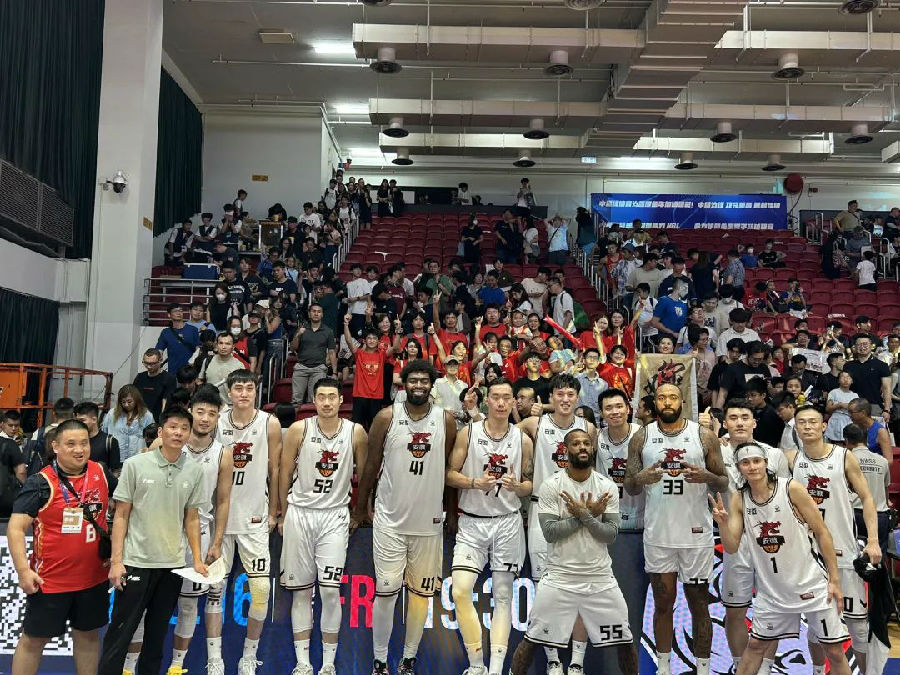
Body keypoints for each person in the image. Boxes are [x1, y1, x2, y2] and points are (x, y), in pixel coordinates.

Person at [710, 442, 852, 675]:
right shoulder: (739, 499)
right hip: (773, 592)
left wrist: (834, 579)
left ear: (766, 463)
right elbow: (731, 546)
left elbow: (822, 532)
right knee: (755, 646)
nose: (752, 466)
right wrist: (723, 524)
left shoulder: (791, 488)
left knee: (835, 651)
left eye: (756, 461)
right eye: (745, 463)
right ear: (738, 468)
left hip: (810, 585)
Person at [353, 359, 456, 675]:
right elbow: (371, 466)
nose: (419, 386)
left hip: (428, 522)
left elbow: (449, 471)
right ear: (404, 384)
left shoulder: (446, 420)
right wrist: (360, 507)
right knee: (386, 591)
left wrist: (452, 513)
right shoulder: (387, 417)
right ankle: (379, 661)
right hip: (390, 520)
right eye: (413, 380)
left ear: (432, 386)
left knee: (421, 595)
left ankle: (408, 660)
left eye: (424, 381)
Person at [509, 427, 639, 675]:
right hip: (559, 576)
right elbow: (550, 533)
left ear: (592, 448)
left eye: (586, 443)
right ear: (566, 450)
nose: (582, 447)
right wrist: (587, 515)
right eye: (576, 443)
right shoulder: (551, 485)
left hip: (599, 577)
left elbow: (610, 535)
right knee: (531, 640)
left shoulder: (606, 486)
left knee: (625, 640)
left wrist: (584, 516)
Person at [624, 383, 728, 675]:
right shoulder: (642, 437)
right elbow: (630, 486)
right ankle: (663, 668)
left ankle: (703, 669)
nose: (667, 402)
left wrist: (706, 476)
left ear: (682, 401)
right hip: (658, 533)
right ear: (655, 402)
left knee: (699, 604)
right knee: (663, 603)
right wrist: (641, 478)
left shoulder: (703, 436)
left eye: (672, 397)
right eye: (661, 397)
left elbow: (723, 481)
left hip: (695, 532)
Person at [98, 407, 208, 675]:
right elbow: (121, 515)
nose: (178, 433)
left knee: (156, 637)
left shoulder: (194, 471)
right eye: (173, 427)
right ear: (160, 431)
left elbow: (192, 518)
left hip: (172, 566)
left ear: (189, 434)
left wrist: (197, 559)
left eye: (184, 428)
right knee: (120, 635)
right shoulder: (135, 465)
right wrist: (117, 561)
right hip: (136, 563)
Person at [7, 420, 114, 675]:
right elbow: (15, 528)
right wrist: (23, 571)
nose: (79, 450)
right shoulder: (41, 482)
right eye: (71, 444)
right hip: (50, 581)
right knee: (34, 640)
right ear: (56, 446)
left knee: (88, 635)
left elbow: (124, 507)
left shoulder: (100, 472)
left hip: (93, 578)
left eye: (84, 443)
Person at [278, 378, 368, 675]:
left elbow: (365, 475)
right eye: (321, 397)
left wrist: (359, 512)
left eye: (332, 396)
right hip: (301, 513)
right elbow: (284, 472)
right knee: (301, 592)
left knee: (330, 591)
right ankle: (303, 663)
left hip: (334, 516)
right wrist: (283, 513)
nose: (327, 402)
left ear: (341, 400)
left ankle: (328, 663)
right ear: (313, 400)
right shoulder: (299, 429)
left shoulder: (355, 432)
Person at [446, 378, 534, 675]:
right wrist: (474, 482)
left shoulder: (522, 440)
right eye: (495, 396)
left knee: (503, 596)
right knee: (460, 591)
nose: (500, 402)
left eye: (506, 397)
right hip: (472, 522)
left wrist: (518, 487)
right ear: (487, 400)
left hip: (507, 522)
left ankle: (495, 669)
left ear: (513, 402)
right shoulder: (468, 433)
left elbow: (529, 484)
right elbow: (448, 474)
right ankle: (476, 664)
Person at [786, 405, 881, 674]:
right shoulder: (791, 459)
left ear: (824, 426)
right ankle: (818, 671)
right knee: (817, 627)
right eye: (802, 422)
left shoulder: (843, 457)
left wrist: (873, 540)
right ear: (796, 427)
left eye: (812, 422)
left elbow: (867, 498)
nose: (807, 426)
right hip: (809, 556)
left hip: (844, 551)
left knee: (857, 625)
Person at [700, 400, 789, 675]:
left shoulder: (773, 455)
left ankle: (765, 669)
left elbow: (785, 499)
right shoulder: (714, 452)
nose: (739, 422)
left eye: (745, 417)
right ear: (725, 422)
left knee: (772, 609)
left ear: (754, 422)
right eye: (733, 417)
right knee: (735, 611)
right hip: (735, 542)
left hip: (770, 541)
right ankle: (741, 668)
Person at [517, 374, 596, 674]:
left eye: (570, 394)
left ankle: (576, 662)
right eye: (559, 394)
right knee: (545, 591)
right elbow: (501, 438)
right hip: (543, 509)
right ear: (552, 397)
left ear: (577, 397)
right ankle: (553, 659)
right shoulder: (533, 424)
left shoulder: (588, 428)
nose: (565, 399)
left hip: (578, 512)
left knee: (581, 588)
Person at [209, 370, 281, 675]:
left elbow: (275, 470)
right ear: (229, 392)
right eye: (238, 388)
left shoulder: (269, 423)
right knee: (215, 589)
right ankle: (215, 659)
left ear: (256, 392)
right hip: (219, 519)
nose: (243, 393)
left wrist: (274, 511)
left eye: (249, 388)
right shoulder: (216, 421)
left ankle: (248, 656)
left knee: (261, 590)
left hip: (254, 515)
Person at [595, 389, 647, 668]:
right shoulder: (596, 438)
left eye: (618, 406)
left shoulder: (644, 435)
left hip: (643, 526)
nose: (614, 412)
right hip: (610, 529)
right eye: (608, 408)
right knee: (612, 605)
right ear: (602, 413)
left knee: (638, 605)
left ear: (628, 408)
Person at [345, 315, 401, 430]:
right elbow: (349, 341)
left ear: (378, 341)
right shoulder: (359, 353)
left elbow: (395, 347)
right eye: (369, 338)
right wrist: (346, 324)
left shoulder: (382, 355)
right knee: (357, 428)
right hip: (360, 395)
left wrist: (398, 331)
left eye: (374, 338)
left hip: (376, 396)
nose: (371, 340)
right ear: (365, 340)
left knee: (374, 428)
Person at [843, 423, 891, 552]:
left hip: (854, 514)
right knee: (878, 557)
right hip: (880, 515)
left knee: (853, 557)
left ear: (846, 440)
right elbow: (885, 490)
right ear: (866, 439)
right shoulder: (882, 461)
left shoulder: (844, 460)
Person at [291, 303, 338, 405]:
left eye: (319, 312)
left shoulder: (328, 331)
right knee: (296, 401)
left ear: (322, 314)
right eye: (314, 311)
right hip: (301, 367)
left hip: (319, 369)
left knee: (315, 400)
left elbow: (331, 352)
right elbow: (293, 348)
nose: (316, 314)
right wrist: (298, 335)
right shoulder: (302, 329)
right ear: (309, 314)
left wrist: (334, 373)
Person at [844, 333, 892, 423]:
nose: (862, 347)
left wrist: (886, 409)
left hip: (874, 406)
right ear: (855, 347)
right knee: (853, 431)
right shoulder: (848, 366)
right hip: (852, 406)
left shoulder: (881, 365)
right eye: (859, 345)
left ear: (872, 346)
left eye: (865, 344)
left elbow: (886, 388)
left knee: (874, 431)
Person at [102, 386, 155, 464]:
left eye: (129, 402)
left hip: (138, 459)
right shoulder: (112, 414)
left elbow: (153, 438)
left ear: (136, 400)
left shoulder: (147, 415)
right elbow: (104, 434)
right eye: (123, 402)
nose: (126, 405)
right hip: (116, 458)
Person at [73, 401, 122, 474]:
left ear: (94, 420)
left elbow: (115, 471)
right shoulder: (73, 440)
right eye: (77, 421)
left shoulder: (109, 441)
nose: (79, 424)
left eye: (82, 420)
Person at [847, 397, 893, 470]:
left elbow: (889, 461)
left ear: (863, 413)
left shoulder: (880, 431)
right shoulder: (853, 429)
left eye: (851, 412)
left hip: (874, 470)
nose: (849, 415)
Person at [199, 332, 246, 402]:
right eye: (221, 343)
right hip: (210, 404)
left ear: (233, 346)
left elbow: (242, 390)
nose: (223, 347)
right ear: (216, 345)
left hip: (230, 406)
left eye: (227, 344)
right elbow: (200, 380)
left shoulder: (239, 366)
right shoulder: (208, 361)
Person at [133, 348, 176, 421]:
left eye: (152, 364)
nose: (149, 366)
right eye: (146, 363)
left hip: (157, 420)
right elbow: (133, 397)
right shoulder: (140, 377)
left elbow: (166, 401)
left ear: (160, 361)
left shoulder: (169, 379)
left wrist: (162, 421)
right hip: (139, 419)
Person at [156, 304, 200, 374]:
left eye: (180, 311)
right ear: (169, 315)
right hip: (173, 370)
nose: (178, 313)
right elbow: (159, 350)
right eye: (175, 311)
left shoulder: (193, 329)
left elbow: (198, 349)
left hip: (190, 370)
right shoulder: (166, 332)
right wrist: (157, 363)